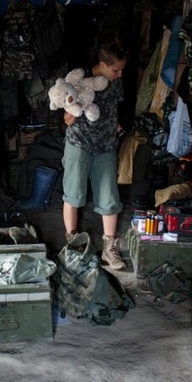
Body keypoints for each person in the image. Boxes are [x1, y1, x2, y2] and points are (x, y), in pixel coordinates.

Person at [61, 40, 127, 270]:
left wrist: (118, 128)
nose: (119, 75)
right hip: (79, 143)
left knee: (109, 198)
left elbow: (113, 110)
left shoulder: (115, 84)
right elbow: (67, 120)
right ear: (102, 65)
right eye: (116, 70)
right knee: (73, 194)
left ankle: (110, 249)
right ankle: (73, 244)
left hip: (106, 145)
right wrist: (77, 103)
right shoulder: (78, 82)